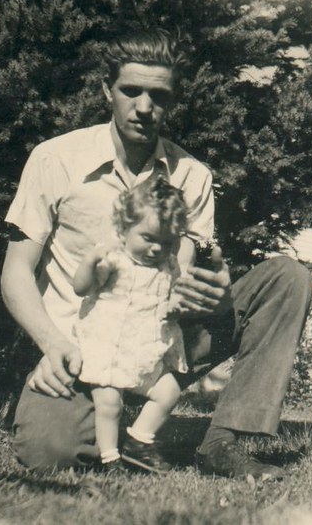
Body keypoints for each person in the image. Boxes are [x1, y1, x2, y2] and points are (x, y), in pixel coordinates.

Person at [0, 28, 312, 480]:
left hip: (161, 341)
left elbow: (182, 278)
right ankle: (104, 423)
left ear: (172, 100)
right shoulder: (55, 160)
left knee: (287, 277)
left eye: (158, 96)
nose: (144, 108)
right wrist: (51, 345)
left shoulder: (193, 176)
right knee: (51, 453)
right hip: (84, 349)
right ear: (107, 89)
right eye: (131, 91)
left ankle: (224, 443)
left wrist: (215, 297)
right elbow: (16, 273)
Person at [72, 175, 191, 472]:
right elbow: (82, 288)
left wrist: (176, 303)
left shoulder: (168, 264)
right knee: (110, 404)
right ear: (124, 229)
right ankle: (111, 458)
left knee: (169, 392)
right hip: (110, 347)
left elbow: (174, 290)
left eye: (166, 242)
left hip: (146, 349)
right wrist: (89, 262)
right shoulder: (115, 260)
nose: (155, 249)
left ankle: (139, 440)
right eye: (148, 238)